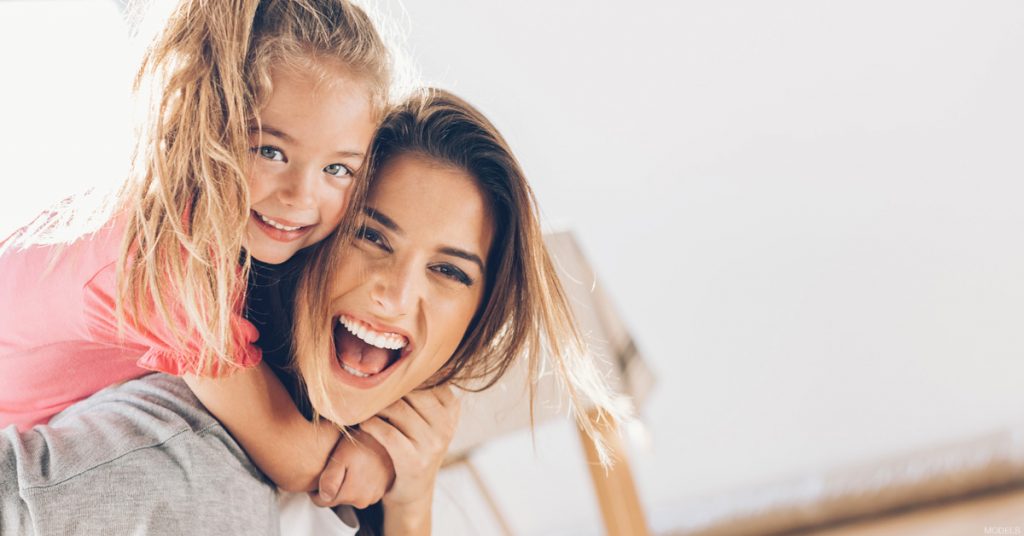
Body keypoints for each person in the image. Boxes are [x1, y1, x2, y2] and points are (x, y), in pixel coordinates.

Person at [1, 88, 628, 535]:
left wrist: (408, 502)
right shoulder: (190, 454)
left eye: (448, 271)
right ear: (306, 235)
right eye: (371, 235)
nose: (395, 293)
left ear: (477, 316)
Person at [0, 0, 395, 505]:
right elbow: (295, 459)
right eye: (269, 151)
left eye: (338, 169)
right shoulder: (169, 262)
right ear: (208, 123)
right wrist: (386, 448)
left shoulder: (189, 219)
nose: (301, 196)